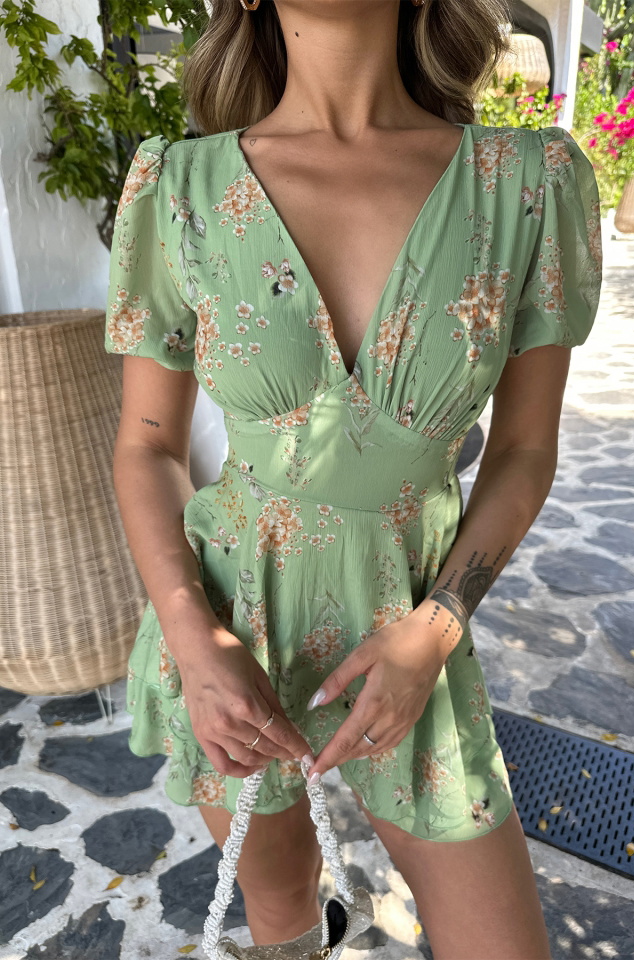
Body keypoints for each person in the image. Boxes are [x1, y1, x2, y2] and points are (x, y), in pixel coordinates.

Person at [104, 0, 603, 956]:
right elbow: (148, 445)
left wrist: (436, 629)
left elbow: (523, 451)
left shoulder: (527, 185)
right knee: (283, 916)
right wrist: (194, 640)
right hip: (232, 636)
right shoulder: (179, 188)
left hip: (413, 629)